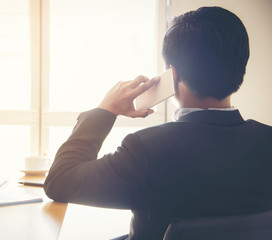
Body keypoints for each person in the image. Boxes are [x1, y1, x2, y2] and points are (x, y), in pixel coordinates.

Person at [44, 6, 272, 240]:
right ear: (241, 67)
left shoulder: (147, 149)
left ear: (172, 75)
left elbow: (60, 182)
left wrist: (105, 110)